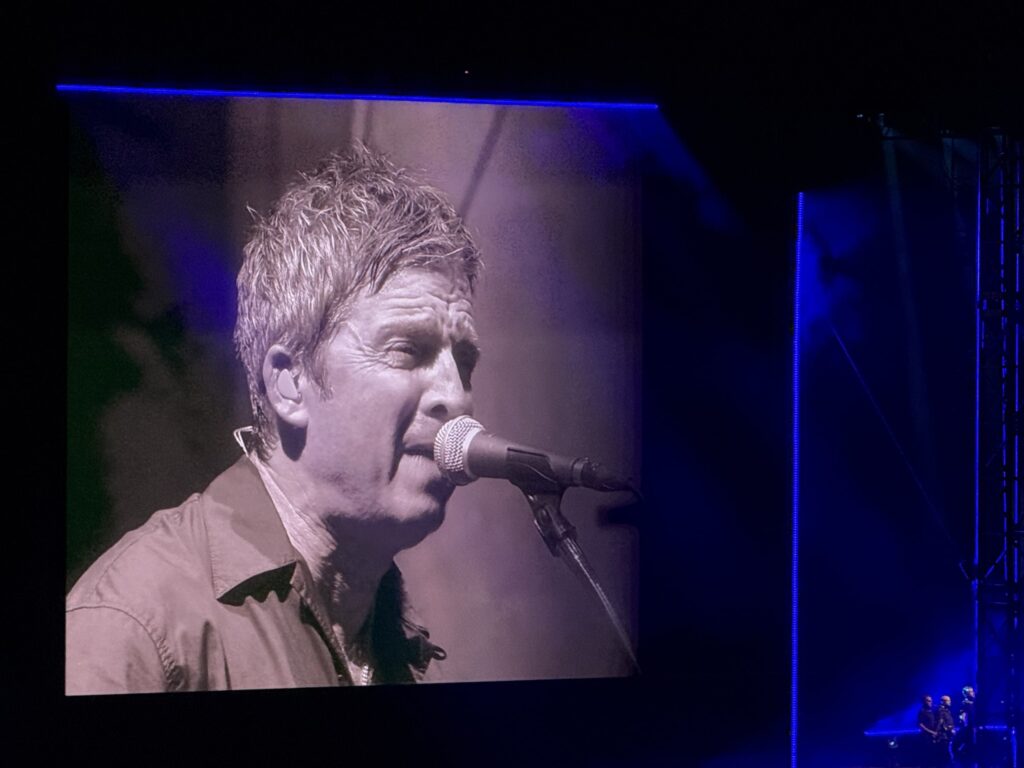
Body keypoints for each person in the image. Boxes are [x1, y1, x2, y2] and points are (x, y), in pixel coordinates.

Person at [66, 143, 483, 693]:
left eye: (464, 362)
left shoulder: (392, 633)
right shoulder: (134, 625)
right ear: (289, 382)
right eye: (408, 350)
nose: (456, 397)